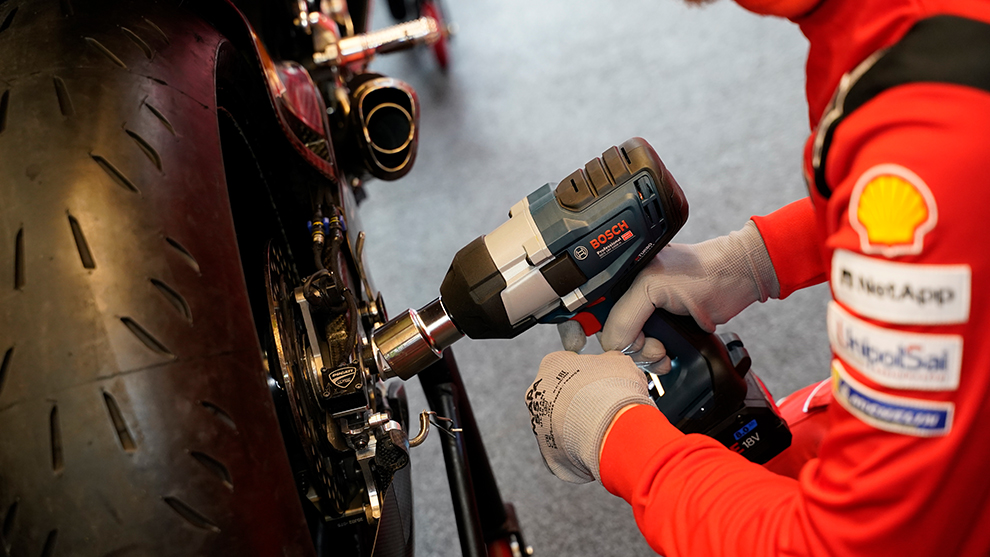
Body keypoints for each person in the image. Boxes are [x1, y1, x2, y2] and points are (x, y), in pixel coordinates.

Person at [525, 0, 990, 554]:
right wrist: (757, 260)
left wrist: (614, 433)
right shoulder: (895, 38)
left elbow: (847, 546)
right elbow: (957, 206)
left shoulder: (920, 136)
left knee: (759, 467)